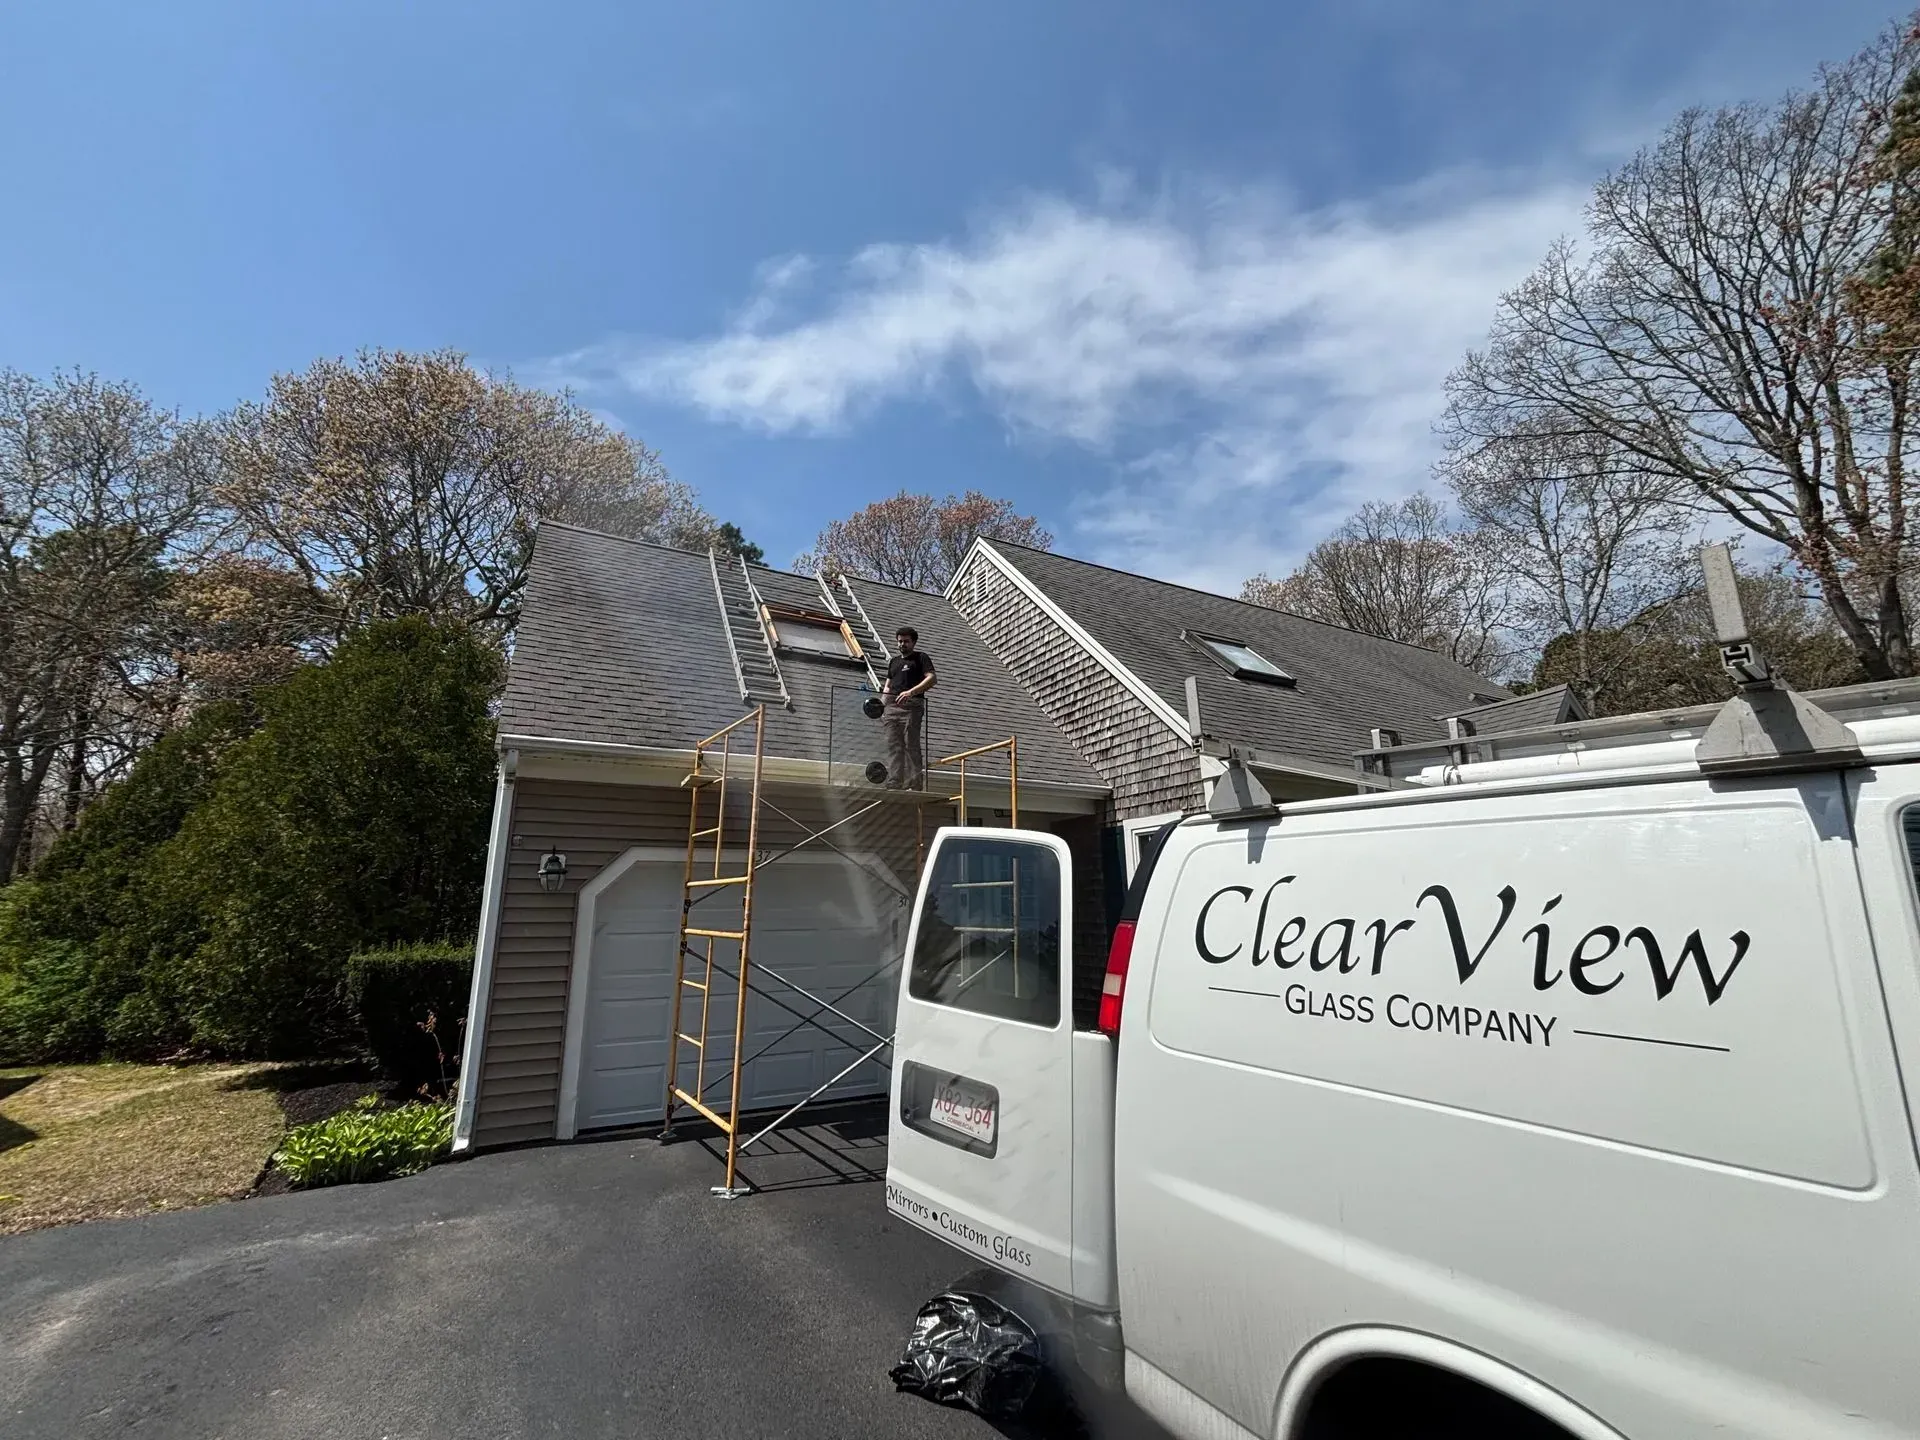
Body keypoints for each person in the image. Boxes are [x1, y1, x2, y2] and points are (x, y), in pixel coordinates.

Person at [882, 626, 936, 790]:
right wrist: (880, 708)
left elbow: (932, 678)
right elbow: (887, 687)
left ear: (913, 642)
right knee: (893, 745)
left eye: (906, 641)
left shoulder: (920, 658)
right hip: (892, 708)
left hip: (912, 707)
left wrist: (911, 692)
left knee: (910, 743)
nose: (902, 644)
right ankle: (894, 781)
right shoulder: (894, 662)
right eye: (900, 641)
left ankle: (915, 782)